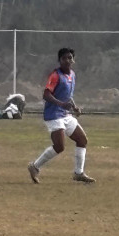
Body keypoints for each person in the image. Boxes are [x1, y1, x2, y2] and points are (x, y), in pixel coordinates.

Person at [28, 48, 94, 184]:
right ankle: (34, 166)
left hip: (65, 115)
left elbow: (68, 96)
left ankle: (79, 173)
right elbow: (46, 94)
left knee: (82, 140)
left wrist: (74, 107)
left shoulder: (72, 75)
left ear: (73, 60)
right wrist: (61, 104)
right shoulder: (55, 75)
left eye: (70, 58)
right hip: (53, 115)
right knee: (59, 146)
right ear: (59, 60)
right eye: (64, 58)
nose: (67, 61)